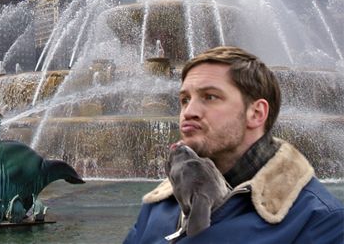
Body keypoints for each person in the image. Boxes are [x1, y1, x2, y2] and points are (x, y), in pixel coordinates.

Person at [124, 46, 344, 243]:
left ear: (256, 113)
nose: (188, 112)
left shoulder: (319, 221)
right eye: (184, 100)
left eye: (210, 97)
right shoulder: (158, 205)